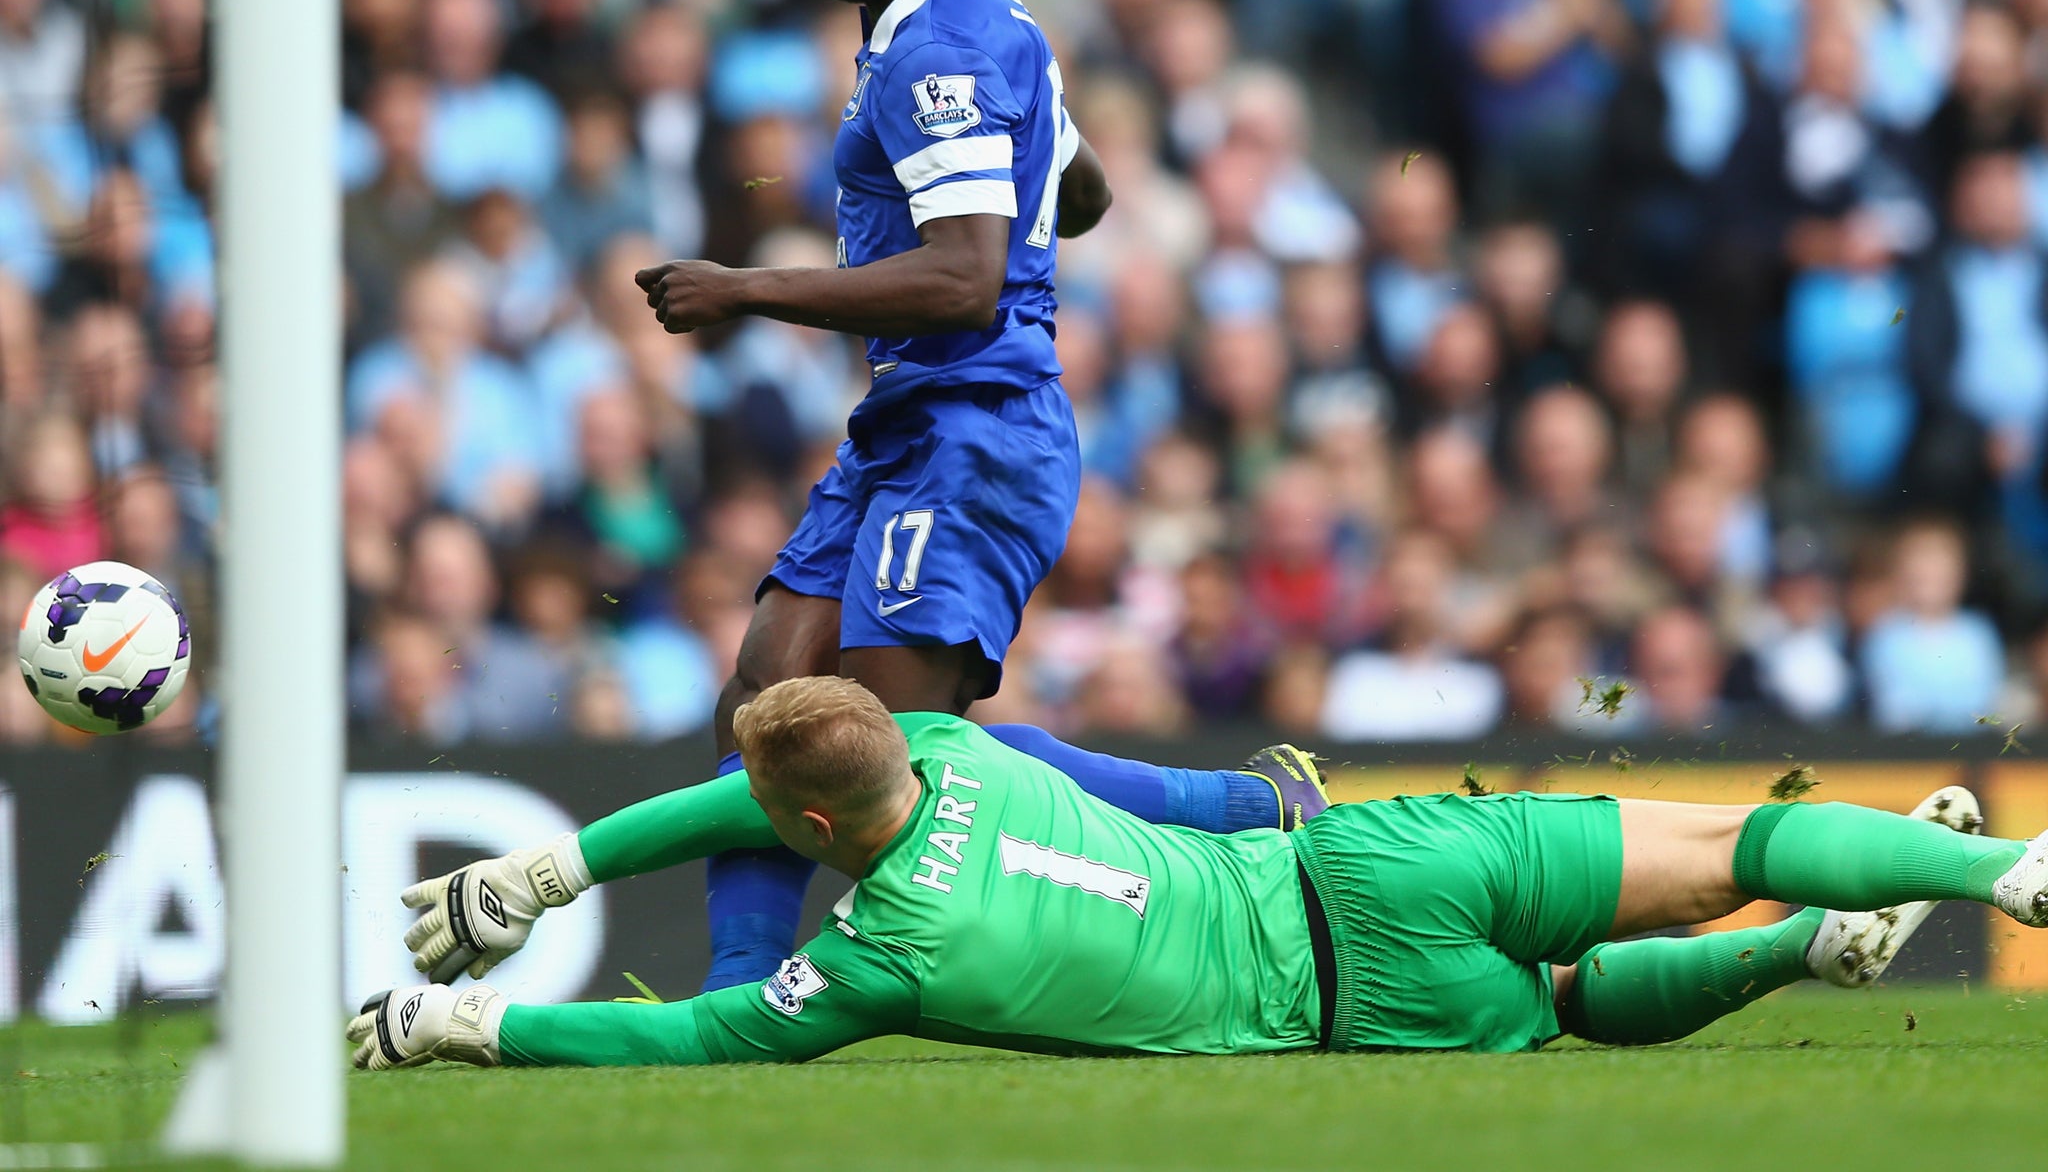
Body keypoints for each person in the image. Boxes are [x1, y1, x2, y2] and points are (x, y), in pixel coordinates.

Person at [631, 0, 1325, 993]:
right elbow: (1088, 189)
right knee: (766, 696)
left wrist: (746, 288)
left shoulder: (940, 48)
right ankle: (733, 1002)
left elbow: (963, 280)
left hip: (976, 419)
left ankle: (1240, 808)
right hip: (913, 418)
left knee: (899, 746)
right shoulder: (962, 25)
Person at [356, 674, 2046, 1070]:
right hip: (1360, 851)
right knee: (1725, 841)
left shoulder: (876, 955)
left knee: (1574, 1012)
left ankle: (1808, 949)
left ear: (813, 829)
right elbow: (751, 794)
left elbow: (693, 1039)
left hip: (1339, 996)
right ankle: (2002, 873)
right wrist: (556, 862)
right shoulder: (946, 741)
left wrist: (469, 1027)